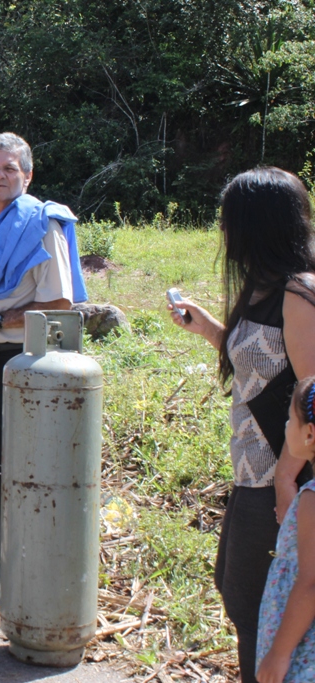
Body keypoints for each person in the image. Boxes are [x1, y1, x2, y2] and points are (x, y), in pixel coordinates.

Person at [170, 167, 315, 682]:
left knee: (259, 606)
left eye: (228, 221)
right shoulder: (262, 284)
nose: (222, 233)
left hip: (284, 477)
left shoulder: (301, 294)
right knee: (239, 594)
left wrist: (284, 479)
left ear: (258, 224)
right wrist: (209, 327)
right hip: (252, 470)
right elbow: (262, 369)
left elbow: (314, 394)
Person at [0, 132, 85, 605]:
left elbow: (61, 302)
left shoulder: (41, 225)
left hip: (13, 362)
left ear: (28, 174)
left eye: (9, 168)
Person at [255, 377, 315, 683]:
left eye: (291, 419)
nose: (286, 426)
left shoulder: (312, 499)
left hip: (302, 650)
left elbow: (311, 582)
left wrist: (280, 653)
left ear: (309, 433)